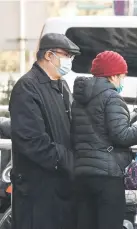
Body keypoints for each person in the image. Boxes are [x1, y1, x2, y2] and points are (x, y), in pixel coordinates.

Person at [71, 51, 137, 229]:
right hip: (107, 177)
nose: (122, 81)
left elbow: (100, 125)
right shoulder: (112, 97)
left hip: (82, 174)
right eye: (122, 76)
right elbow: (122, 136)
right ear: (113, 75)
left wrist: (132, 116)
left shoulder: (79, 99)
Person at [9, 33, 80, 229]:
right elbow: (32, 142)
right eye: (66, 55)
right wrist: (70, 161)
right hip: (37, 191)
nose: (69, 61)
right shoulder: (27, 88)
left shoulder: (62, 85)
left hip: (62, 187)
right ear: (49, 55)